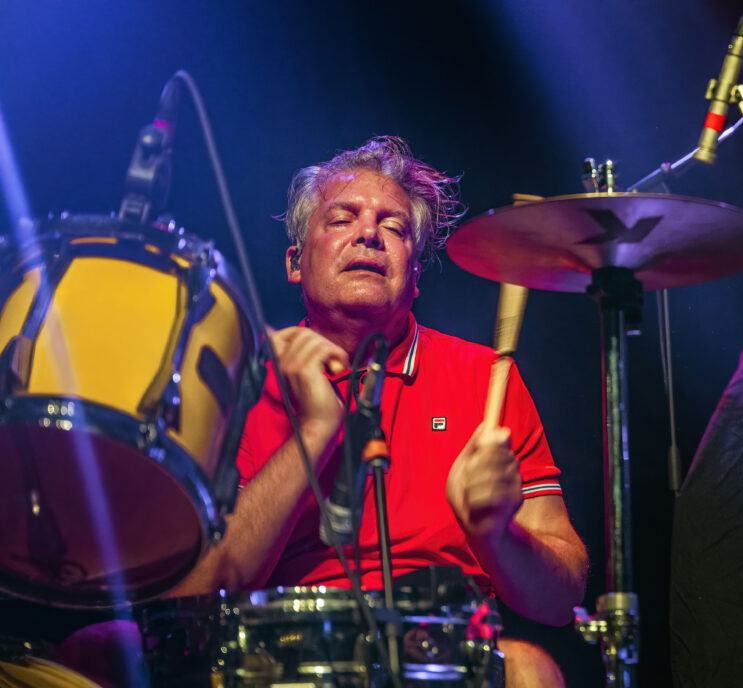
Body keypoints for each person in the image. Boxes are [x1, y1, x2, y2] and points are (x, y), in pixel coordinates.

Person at [170, 136, 589, 687]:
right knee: (104, 647)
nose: (369, 233)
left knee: (532, 670)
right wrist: (316, 431)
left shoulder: (485, 377)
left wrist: (497, 534)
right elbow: (193, 599)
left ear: (414, 274)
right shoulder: (242, 381)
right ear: (296, 262)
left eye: (394, 227)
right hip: (283, 655)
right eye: (342, 219)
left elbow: (560, 600)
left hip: (442, 653)